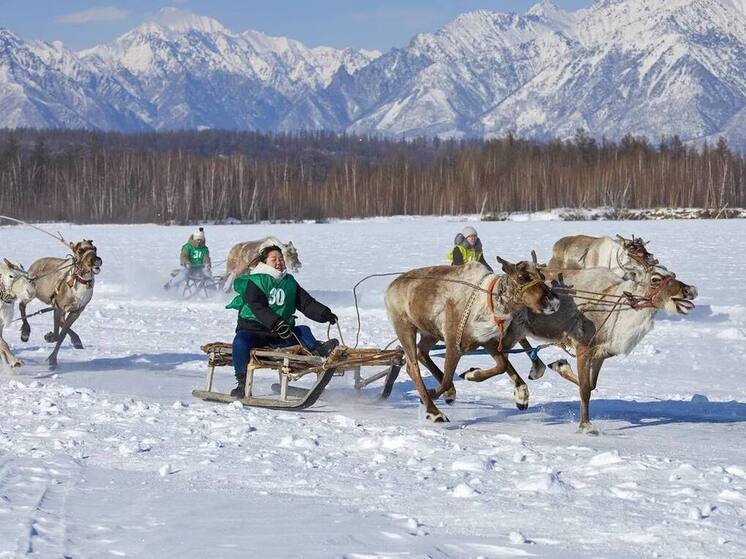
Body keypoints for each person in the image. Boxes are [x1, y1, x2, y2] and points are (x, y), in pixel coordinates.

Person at [226, 245, 339, 398]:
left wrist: (325, 313)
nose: (279, 262)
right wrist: (275, 322)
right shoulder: (255, 281)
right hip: (254, 331)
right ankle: (241, 383)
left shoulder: (289, 282)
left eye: (281, 259)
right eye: (274, 259)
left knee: (303, 330)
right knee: (239, 343)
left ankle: (318, 353)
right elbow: (257, 306)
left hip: (281, 331)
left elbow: (305, 303)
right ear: (265, 263)